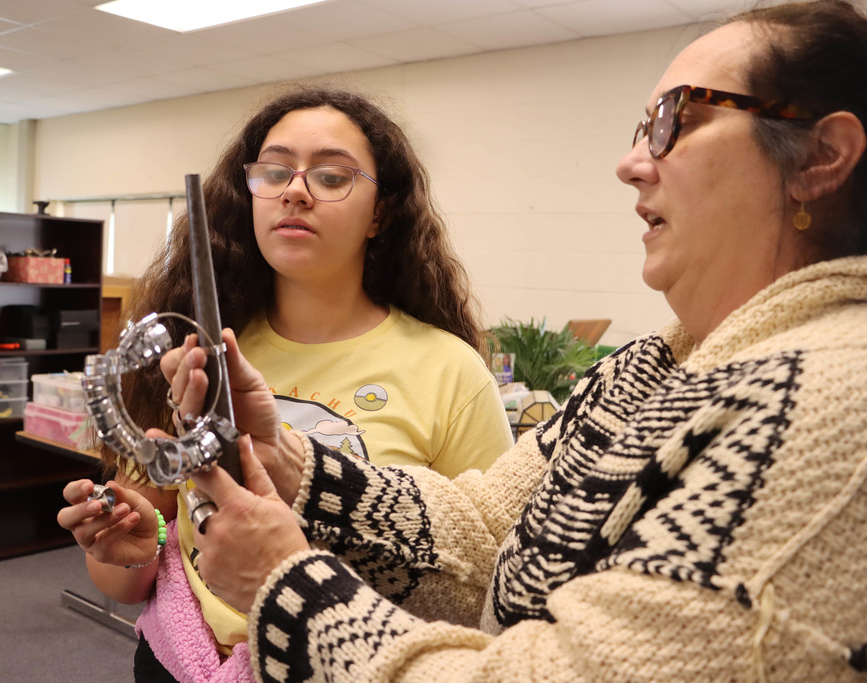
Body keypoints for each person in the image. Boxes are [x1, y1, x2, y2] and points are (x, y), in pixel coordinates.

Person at [126, 1, 867, 680]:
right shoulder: (650, 367)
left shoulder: (831, 401)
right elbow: (484, 531)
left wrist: (284, 582)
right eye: (642, 129)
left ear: (819, 158)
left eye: (675, 119)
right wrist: (288, 462)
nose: (631, 162)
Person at [59, 86, 513, 681]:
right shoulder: (197, 353)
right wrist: (130, 542)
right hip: (180, 662)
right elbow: (131, 571)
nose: (295, 190)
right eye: (274, 171)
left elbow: (489, 579)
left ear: (380, 213)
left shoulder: (449, 372)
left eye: (331, 177)